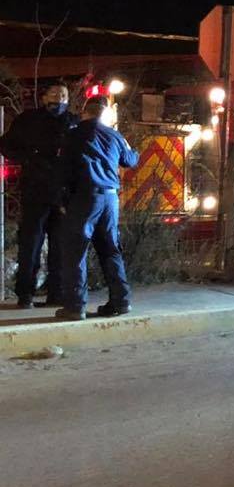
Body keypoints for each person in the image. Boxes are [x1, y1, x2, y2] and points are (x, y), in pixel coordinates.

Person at [55, 95, 139, 321]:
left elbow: (63, 171)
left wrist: (63, 201)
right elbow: (131, 160)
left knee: (76, 251)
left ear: (85, 112)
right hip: (110, 200)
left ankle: (75, 307)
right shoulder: (115, 135)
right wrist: (129, 145)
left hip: (84, 198)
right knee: (110, 249)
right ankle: (121, 301)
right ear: (105, 114)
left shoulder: (73, 135)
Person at [0, 82, 77, 308]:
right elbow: (5, 145)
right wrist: (28, 159)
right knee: (30, 244)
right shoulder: (28, 120)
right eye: (54, 93)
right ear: (43, 98)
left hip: (63, 193)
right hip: (35, 190)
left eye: (63, 94)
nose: (59, 98)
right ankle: (26, 294)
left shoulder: (72, 122)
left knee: (60, 246)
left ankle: (57, 293)